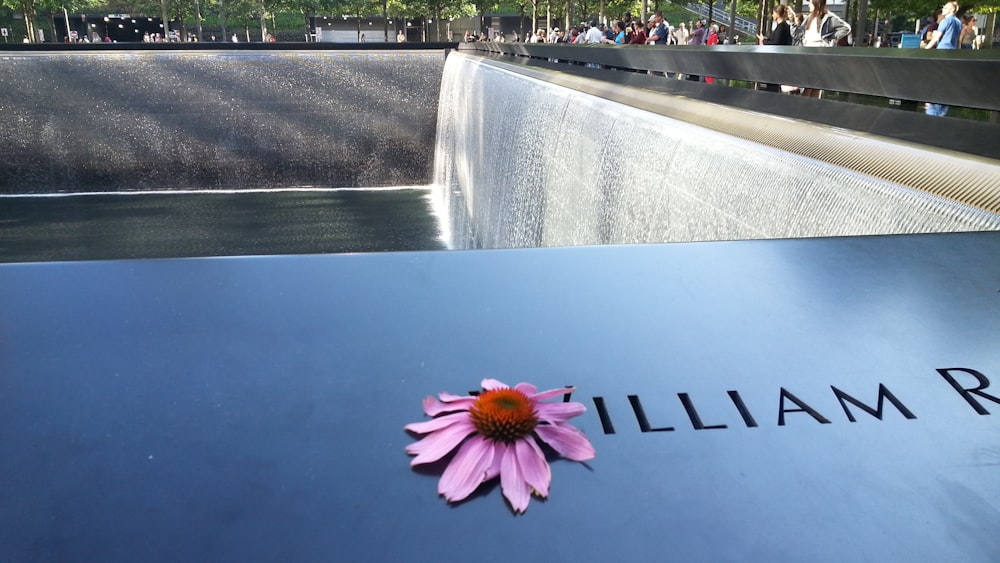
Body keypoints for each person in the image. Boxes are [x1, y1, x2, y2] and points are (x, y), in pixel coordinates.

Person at [799, 0, 851, 97]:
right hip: (807, 52)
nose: (809, 5)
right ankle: (806, 107)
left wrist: (829, 36)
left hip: (819, 52)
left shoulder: (828, 17)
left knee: (814, 83)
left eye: (811, 2)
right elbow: (798, 33)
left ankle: (809, 107)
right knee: (810, 83)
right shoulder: (809, 17)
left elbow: (846, 28)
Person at [923, 1, 961, 116]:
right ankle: (942, 108)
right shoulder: (958, 22)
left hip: (942, 50)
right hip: (952, 52)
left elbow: (937, 37)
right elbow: (958, 40)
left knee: (936, 77)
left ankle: (932, 106)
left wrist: (926, 49)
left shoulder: (945, 21)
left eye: (946, 7)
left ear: (952, 10)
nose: (943, 9)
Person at [757, 5, 793, 92]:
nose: (772, 15)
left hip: (778, 60)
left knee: (773, 82)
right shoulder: (783, 26)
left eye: (773, 13)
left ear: (777, 14)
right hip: (779, 58)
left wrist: (764, 41)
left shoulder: (782, 27)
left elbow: (776, 43)